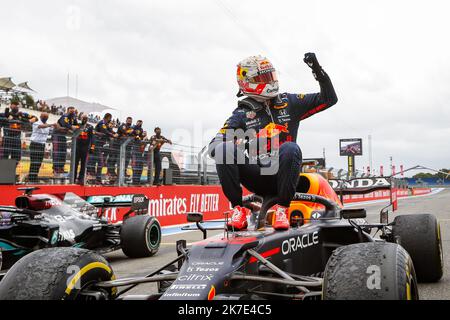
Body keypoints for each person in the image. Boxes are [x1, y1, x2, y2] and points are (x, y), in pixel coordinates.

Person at [209, 53, 337, 231]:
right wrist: (231, 145)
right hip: (256, 176)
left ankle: (282, 209)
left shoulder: (289, 102)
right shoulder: (241, 114)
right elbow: (213, 147)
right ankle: (238, 209)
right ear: (247, 82)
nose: (270, 81)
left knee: (291, 148)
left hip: (284, 174)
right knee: (223, 149)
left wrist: (318, 71)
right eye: (263, 77)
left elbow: (329, 99)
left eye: (271, 76)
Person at [87, 113, 118, 184]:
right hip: (95, 144)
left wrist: (115, 134)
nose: (110, 120)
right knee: (96, 162)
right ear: (108, 117)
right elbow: (105, 131)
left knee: (99, 162)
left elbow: (110, 131)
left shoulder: (106, 125)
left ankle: (97, 178)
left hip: (100, 146)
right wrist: (112, 135)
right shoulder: (102, 123)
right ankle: (94, 178)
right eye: (110, 118)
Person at [28, 113, 55, 183]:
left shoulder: (48, 125)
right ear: (40, 116)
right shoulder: (36, 123)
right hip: (35, 144)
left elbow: (53, 128)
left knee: (39, 162)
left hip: (42, 145)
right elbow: (41, 126)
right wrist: (51, 124)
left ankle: (35, 177)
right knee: (34, 161)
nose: (45, 118)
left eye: (46, 117)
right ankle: (31, 178)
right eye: (44, 116)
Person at [52, 106, 78, 175]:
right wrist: (71, 127)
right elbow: (65, 125)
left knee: (63, 152)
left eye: (73, 111)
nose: (72, 113)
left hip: (63, 135)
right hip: (57, 135)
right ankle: (55, 169)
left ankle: (61, 168)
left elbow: (77, 125)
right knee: (57, 152)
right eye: (71, 111)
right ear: (67, 111)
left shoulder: (73, 118)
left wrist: (77, 127)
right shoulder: (65, 116)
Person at [74, 114, 94, 185]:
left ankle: (81, 179)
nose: (84, 119)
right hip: (76, 147)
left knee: (83, 164)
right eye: (83, 118)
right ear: (81, 118)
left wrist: (92, 147)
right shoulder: (77, 125)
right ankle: (73, 178)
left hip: (85, 148)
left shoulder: (90, 127)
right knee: (75, 163)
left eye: (86, 118)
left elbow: (92, 138)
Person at [131, 120, 145, 185]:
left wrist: (141, 137)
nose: (139, 123)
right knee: (135, 166)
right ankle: (134, 181)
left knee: (140, 167)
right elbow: (130, 134)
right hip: (134, 149)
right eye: (138, 122)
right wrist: (135, 137)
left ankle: (138, 181)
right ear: (136, 122)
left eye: (141, 123)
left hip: (139, 151)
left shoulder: (141, 129)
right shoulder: (133, 127)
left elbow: (141, 137)